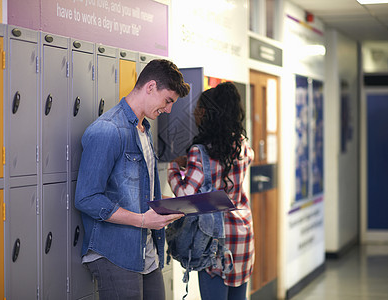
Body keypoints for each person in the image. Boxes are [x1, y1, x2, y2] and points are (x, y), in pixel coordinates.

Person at [75, 59, 190, 300]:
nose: (168, 110)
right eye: (167, 100)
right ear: (150, 87)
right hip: (114, 253)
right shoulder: (108, 130)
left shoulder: (144, 129)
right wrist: (141, 220)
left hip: (146, 250)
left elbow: (135, 191)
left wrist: (162, 203)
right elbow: (86, 198)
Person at [167, 82, 254, 300]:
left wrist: (174, 168)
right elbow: (247, 159)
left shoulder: (201, 151)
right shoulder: (242, 145)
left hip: (214, 240)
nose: (194, 113)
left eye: (197, 109)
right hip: (242, 236)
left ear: (205, 114)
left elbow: (185, 196)